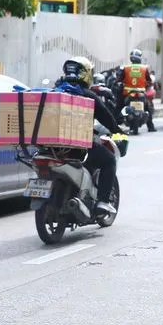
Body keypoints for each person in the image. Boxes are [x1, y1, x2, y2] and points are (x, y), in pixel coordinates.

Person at [59, 56, 127, 215]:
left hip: (52, 147)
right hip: (79, 145)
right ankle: (103, 201)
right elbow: (106, 117)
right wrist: (117, 130)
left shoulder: (56, 91)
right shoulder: (87, 95)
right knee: (109, 159)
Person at [124, 48, 157, 132]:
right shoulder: (144, 68)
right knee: (148, 108)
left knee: (119, 105)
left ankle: (116, 125)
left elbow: (119, 79)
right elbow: (149, 80)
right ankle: (151, 127)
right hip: (141, 93)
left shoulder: (126, 68)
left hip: (128, 93)